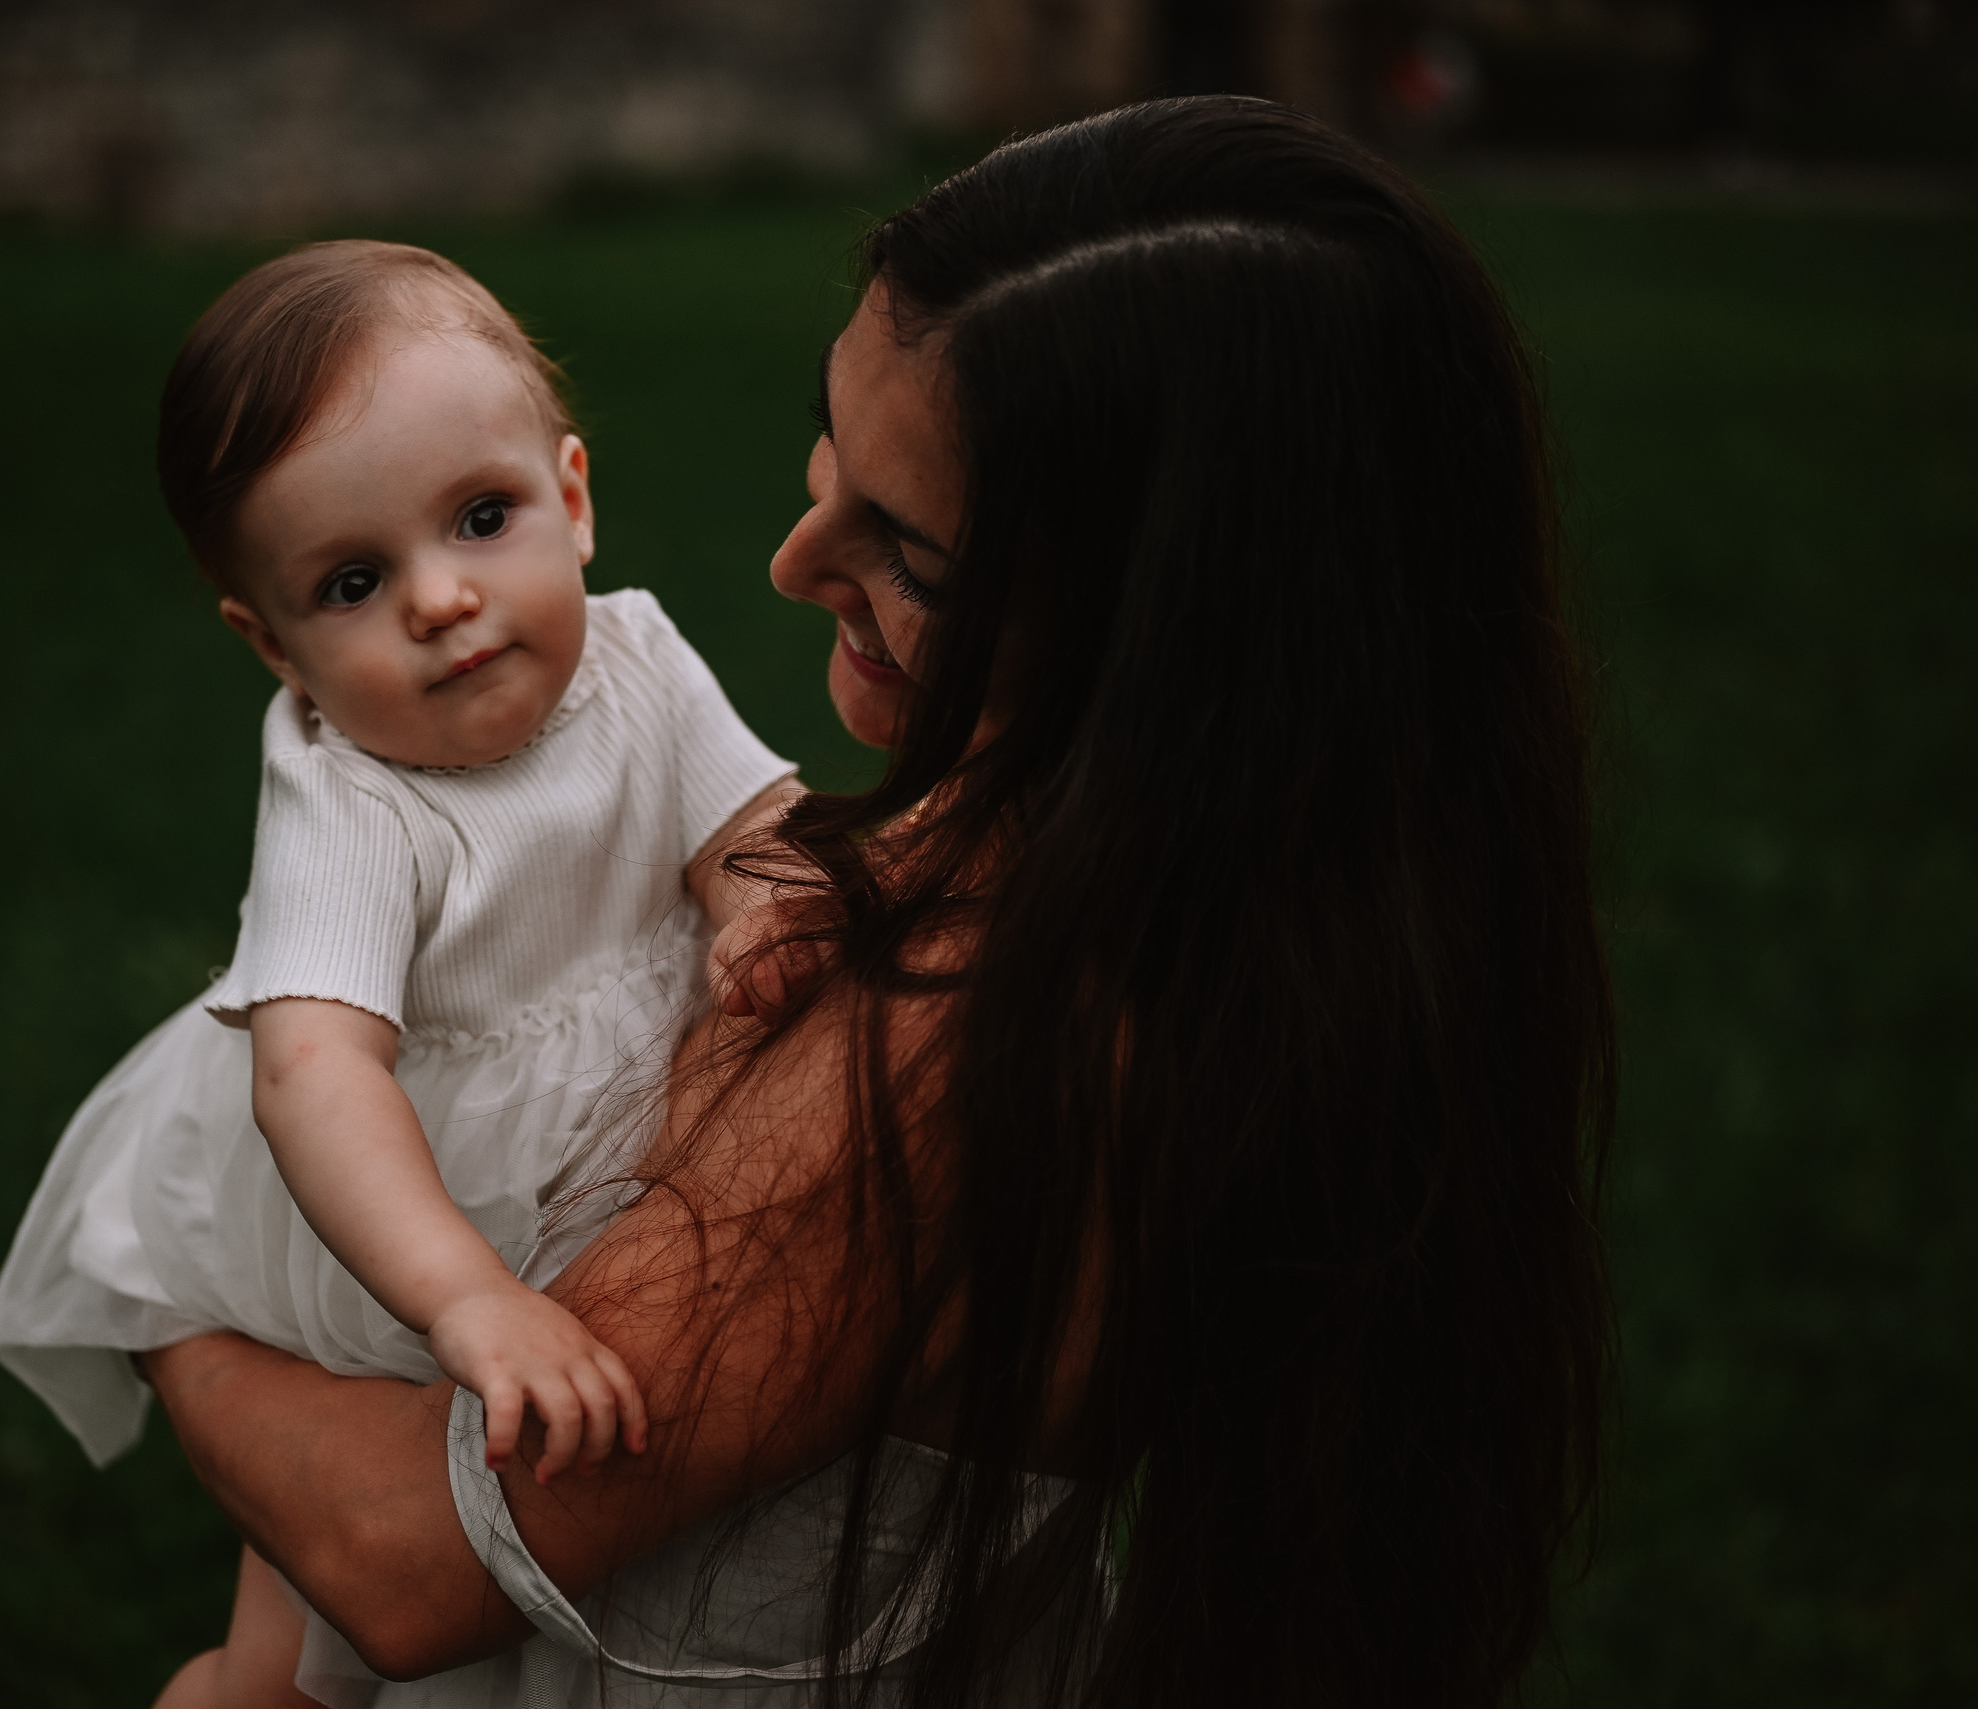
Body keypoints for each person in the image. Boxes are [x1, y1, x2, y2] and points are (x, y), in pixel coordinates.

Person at [142, 94, 1616, 1709]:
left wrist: (155, 1293)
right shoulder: (1280, 923)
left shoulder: (946, 1025)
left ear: (1170, 638)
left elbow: (418, 1557)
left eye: (911, 553)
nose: (788, 560)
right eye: (827, 457)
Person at [0, 241, 808, 1708]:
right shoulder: (353, 796)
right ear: (274, 645)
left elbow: (749, 824)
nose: (439, 599)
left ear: (573, 495)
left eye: (481, 518)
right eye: (354, 580)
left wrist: (755, 907)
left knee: (541, 1618)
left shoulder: (643, 662)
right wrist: (465, 1299)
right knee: (299, 1659)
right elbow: (315, 1068)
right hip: (393, 1215)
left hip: (589, 1167)